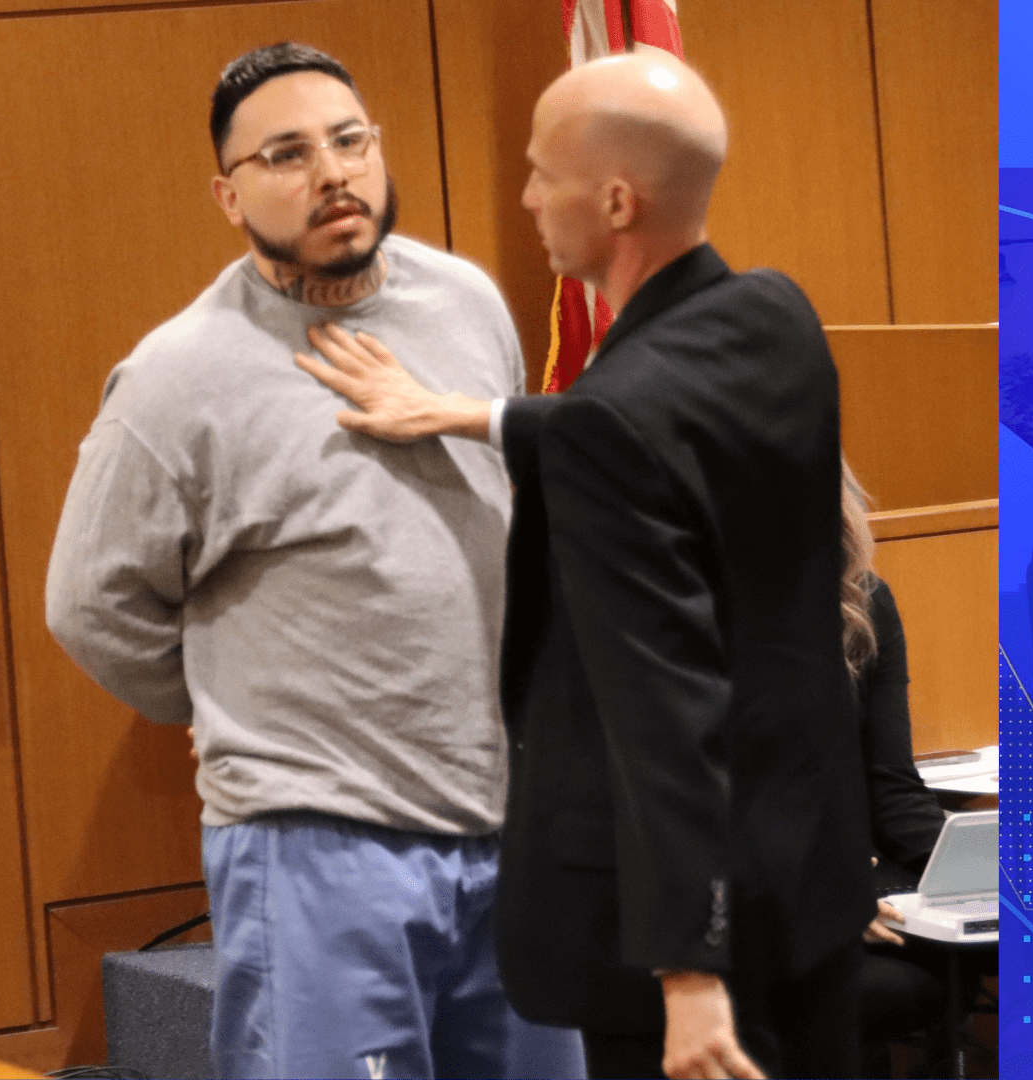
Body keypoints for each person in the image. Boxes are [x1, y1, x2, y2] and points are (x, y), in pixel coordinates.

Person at [293, 51, 876, 1079]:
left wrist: (688, 981)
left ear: (614, 200)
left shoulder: (616, 422)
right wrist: (480, 413)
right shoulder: (775, 318)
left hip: (688, 953)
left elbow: (665, 707)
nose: (524, 197)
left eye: (539, 172)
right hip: (810, 891)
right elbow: (660, 427)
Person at [43, 42, 585, 1080]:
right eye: (286, 155)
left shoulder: (467, 300)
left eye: (349, 140)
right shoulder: (177, 377)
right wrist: (216, 701)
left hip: (506, 825)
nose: (333, 172)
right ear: (229, 195)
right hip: (317, 843)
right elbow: (89, 603)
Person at [840, 464, 988, 1073]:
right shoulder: (709, 608)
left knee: (989, 941)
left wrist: (973, 871)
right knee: (899, 983)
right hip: (763, 874)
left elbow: (893, 786)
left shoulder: (865, 599)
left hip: (867, 862)